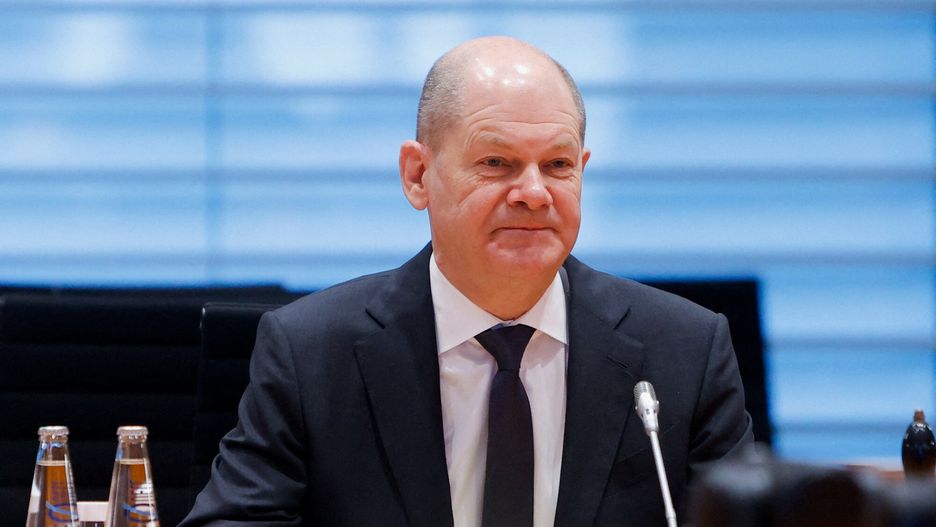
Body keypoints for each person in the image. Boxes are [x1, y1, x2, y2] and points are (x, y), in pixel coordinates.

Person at [181, 36, 753, 527]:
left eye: (558, 166)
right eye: (496, 163)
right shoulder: (311, 354)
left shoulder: (684, 351)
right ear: (418, 176)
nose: (534, 192)